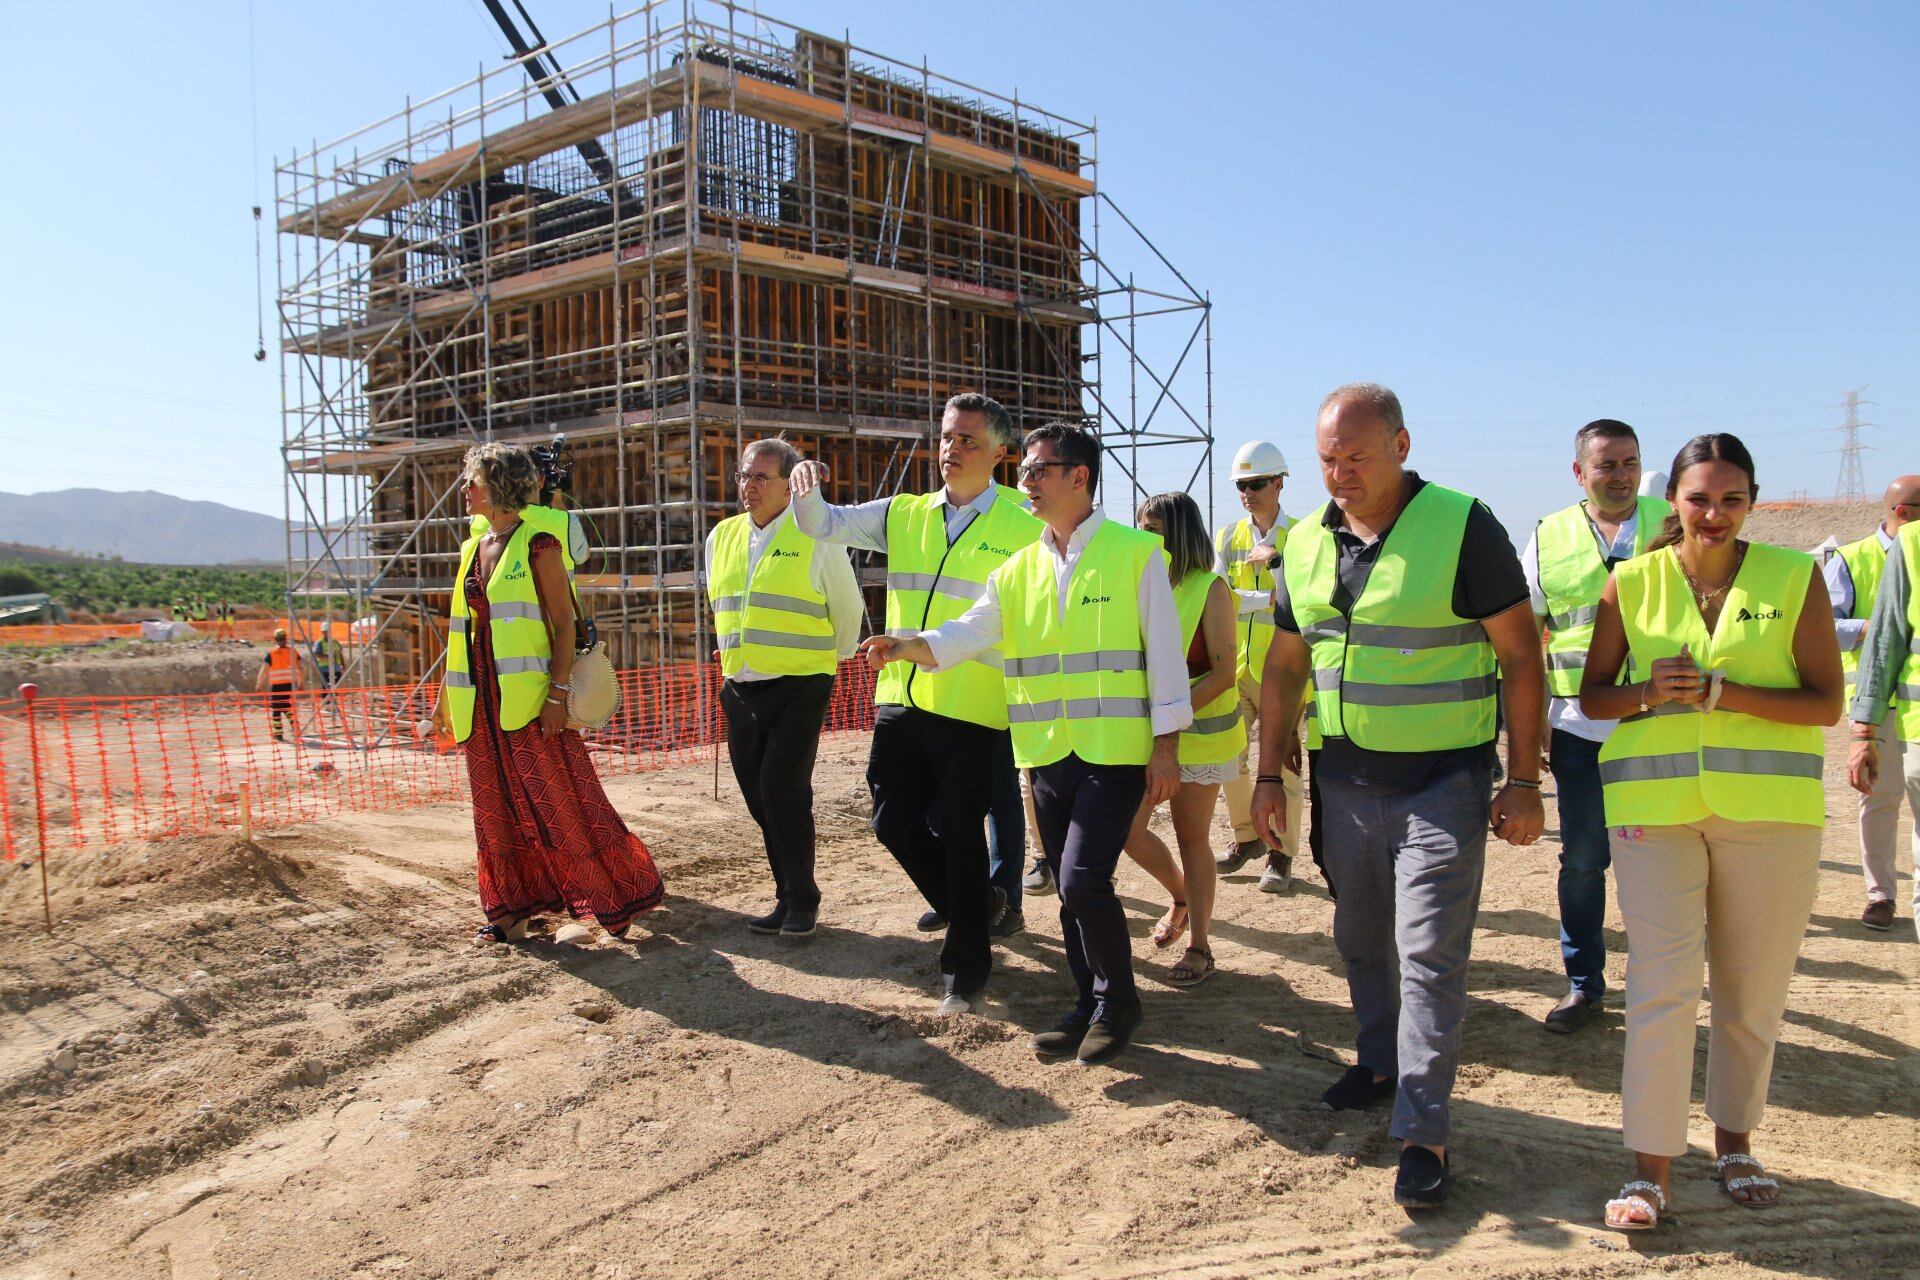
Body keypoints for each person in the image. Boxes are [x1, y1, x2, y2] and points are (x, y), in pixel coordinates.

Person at [1250, 382, 1545, 1211]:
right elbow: (1283, 667)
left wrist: (1523, 781)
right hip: (1343, 781)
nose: (1339, 475)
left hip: (1443, 785)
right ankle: (1378, 1061)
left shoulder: (1463, 525)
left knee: (1428, 956)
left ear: (1402, 446)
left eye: (1356, 457)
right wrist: (1268, 775)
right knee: (1358, 937)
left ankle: (1424, 1130)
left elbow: (1522, 656)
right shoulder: (1306, 543)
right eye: (1327, 461)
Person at [865, 423, 1190, 1061]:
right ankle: (1088, 1000)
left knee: (1080, 879)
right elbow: (969, 631)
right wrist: (909, 646)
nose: (1027, 483)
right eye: (1026, 471)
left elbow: (1165, 659)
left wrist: (1166, 746)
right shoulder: (1017, 570)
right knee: (1072, 890)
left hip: (1113, 750)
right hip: (1044, 753)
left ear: (1080, 477)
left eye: (1041, 470)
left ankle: (1118, 1001)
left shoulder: (1136, 554)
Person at [1581, 434, 1839, 1230]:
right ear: (1675, 503)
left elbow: (1824, 702)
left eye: (1732, 500)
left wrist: (1725, 691)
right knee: (1661, 988)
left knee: (1749, 992)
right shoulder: (1633, 582)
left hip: (1772, 818)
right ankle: (1649, 1169)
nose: (1715, 514)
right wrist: (1649, 693)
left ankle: (1735, 1143)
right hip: (1655, 817)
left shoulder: (1794, 579)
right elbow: (1593, 699)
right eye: (1700, 499)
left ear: (1752, 502)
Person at [792, 392, 1042, 1010]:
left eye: (968, 441)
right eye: (947, 437)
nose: (951, 450)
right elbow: (823, 523)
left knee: (960, 834)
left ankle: (967, 969)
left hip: (974, 705)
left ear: (999, 454)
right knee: (891, 819)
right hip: (901, 697)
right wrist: (804, 486)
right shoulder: (906, 513)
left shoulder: (1024, 522)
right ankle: (978, 904)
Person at [436, 442, 664, 944]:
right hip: (482, 704)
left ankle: (612, 897)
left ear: (494, 486)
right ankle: (509, 910)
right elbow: (462, 631)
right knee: (494, 805)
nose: (465, 489)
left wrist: (558, 695)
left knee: (559, 799)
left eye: (471, 480)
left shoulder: (539, 544)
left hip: (531, 700)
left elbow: (564, 625)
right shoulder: (472, 549)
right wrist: (444, 701)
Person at [1522, 419, 1671, 1033]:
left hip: (1662, 726)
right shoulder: (1547, 535)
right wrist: (1531, 732)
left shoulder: (1673, 519)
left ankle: (1663, 986)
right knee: (1584, 861)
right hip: (1580, 729)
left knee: (1663, 862)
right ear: (1579, 472)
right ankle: (1585, 985)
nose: (1621, 475)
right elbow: (1528, 640)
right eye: (1607, 465)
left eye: (1630, 462)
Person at [705, 438, 862, 939]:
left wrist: (825, 659)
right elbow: (725, 605)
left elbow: (848, 609)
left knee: (782, 789)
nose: (747, 487)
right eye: (743, 477)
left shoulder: (816, 533)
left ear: (787, 483)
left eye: (759, 478)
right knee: (758, 796)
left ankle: (801, 901)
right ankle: (786, 894)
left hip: (801, 683)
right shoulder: (721, 537)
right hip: (741, 684)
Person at [1120, 491, 1243, 987]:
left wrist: (1170, 716)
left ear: (1178, 534)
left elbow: (1224, 673)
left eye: (1151, 528)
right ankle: (1181, 898)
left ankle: (1200, 947)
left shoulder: (1210, 588)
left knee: (1193, 837)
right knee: (1128, 831)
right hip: (1147, 738)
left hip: (1200, 739)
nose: (1141, 537)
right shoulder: (1137, 583)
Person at [1829, 476, 1920, 932]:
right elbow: (1826, 624)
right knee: (1880, 801)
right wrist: (1881, 623)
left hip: (1914, 705)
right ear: (1902, 512)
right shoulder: (1851, 558)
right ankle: (1880, 895)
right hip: (1875, 703)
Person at [1212, 439, 1303, 892]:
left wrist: (1280, 565)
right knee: (1228, 759)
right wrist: (1267, 598)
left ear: (1279, 483)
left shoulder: (1305, 537)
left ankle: (1280, 854)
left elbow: (1309, 600)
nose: (1247, 492)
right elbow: (1218, 596)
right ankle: (1248, 837)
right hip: (1237, 668)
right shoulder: (1228, 537)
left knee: (1282, 766)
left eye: (1256, 483)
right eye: (1241, 486)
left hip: (1283, 673)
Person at [256, 626, 302, 741]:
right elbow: (301, 668)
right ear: (285, 639)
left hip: (277, 686)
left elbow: (264, 670)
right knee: (287, 708)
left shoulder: (272, 653)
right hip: (289, 685)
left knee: (276, 710)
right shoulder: (293, 652)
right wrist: (300, 682)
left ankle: (278, 734)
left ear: (275, 639)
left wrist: (259, 684)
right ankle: (296, 730)